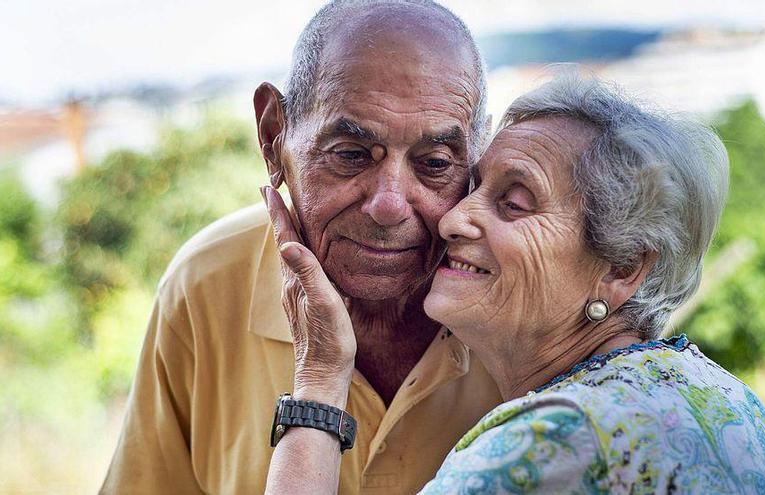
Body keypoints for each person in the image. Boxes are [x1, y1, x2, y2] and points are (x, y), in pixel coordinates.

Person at [262, 75, 765, 494]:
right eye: (471, 185)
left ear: (620, 267)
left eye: (514, 203)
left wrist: (319, 379)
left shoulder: (557, 442)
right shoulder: (719, 396)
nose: (452, 220)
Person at [100, 2, 504, 494]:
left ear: (478, 155)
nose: (389, 205)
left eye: (435, 162)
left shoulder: (522, 294)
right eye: (352, 155)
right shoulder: (207, 283)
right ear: (274, 137)